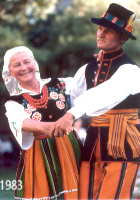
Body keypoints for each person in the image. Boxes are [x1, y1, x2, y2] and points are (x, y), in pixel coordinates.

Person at [49, 3, 140, 199]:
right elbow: (71, 93)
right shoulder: (87, 69)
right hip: (92, 142)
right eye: (100, 29)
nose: (101, 34)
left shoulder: (131, 71)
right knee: (85, 196)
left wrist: (71, 114)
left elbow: (105, 94)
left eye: (108, 31)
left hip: (122, 142)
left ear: (123, 37)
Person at [2, 46, 82, 200]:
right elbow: (21, 122)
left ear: (35, 63)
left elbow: (88, 87)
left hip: (70, 148)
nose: (24, 68)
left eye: (27, 62)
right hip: (40, 154)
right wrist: (46, 127)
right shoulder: (13, 102)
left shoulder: (61, 84)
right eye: (17, 65)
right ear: (10, 72)